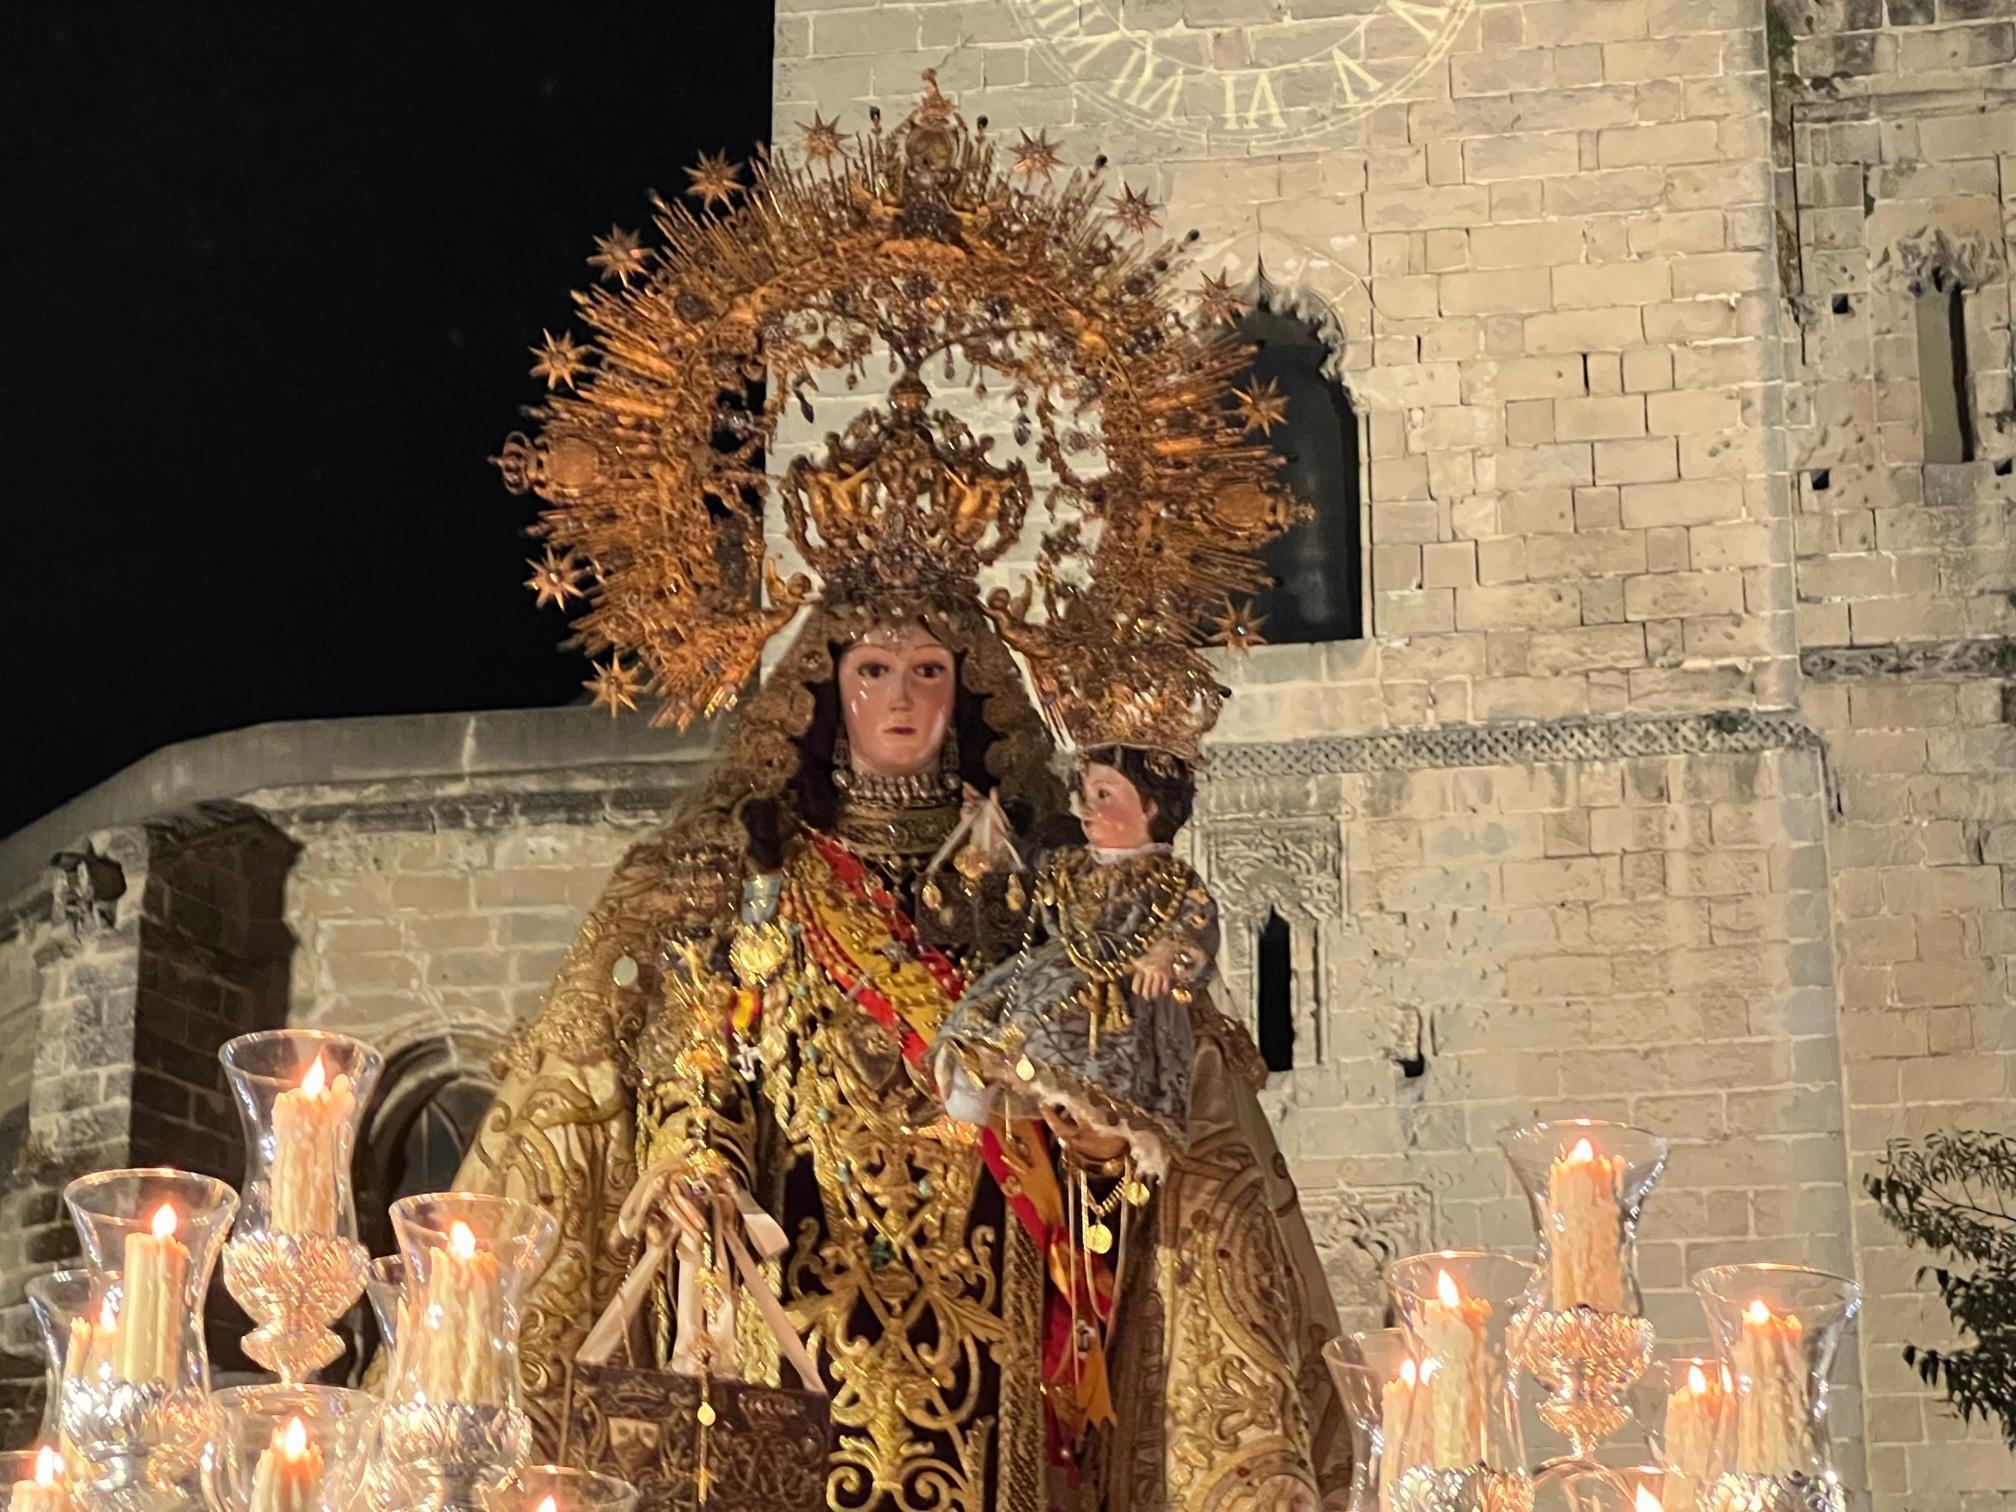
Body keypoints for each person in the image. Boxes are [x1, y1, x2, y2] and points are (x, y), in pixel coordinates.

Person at [452, 72, 1351, 1511]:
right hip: (800, 1296)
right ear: (826, 692)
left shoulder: (1040, 880)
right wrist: (691, 1157)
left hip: (1001, 1310)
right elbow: (705, 1041)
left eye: (929, 672)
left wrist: (1104, 1096)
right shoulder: (756, 873)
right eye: (873, 672)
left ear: (968, 687)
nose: (901, 701)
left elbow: (1127, 1072)